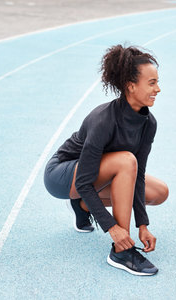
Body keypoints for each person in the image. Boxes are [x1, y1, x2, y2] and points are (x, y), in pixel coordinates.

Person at [44, 44, 168, 276]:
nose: (158, 89)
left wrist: (143, 225)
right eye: (152, 83)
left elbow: (138, 176)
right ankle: (121, 251)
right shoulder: (103, 120)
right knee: (125, 161)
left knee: (159, 192)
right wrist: (112, 227)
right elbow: (83, 182)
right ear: (131, 86)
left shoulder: (148, 124)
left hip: (96, 175)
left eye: (157, 82)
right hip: (62, 174)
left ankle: (82, 206)